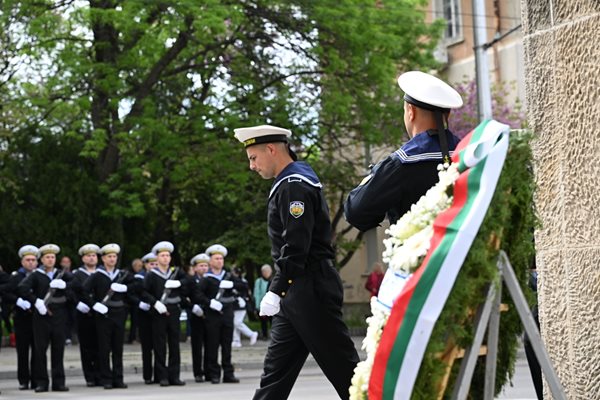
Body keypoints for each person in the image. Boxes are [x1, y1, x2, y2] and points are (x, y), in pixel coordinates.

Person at [234, 124, 359, 400]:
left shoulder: (294, 185)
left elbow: (296, 247)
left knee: (347, 373)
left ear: (271, 149)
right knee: (275, 376)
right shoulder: (291, 180)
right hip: (298, 292)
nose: (252, 166)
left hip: (309, 289)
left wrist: (277, 289)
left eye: (254, 158)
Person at [344, 71, 463, 231]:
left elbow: (355, 211)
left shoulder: (402, 162)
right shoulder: (469, 153)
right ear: (447, 115)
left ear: (410, 111)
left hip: (419, 254)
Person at [18, 244, 73, 393]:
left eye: (53, 257)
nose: (50, 260)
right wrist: (35, 301)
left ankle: (59, 382)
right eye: (47, 257)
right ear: (41, 259)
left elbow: (77, 287)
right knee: (40, 350)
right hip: (42, 316)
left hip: (59, 316)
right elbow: (22, 288)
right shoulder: (36, 275)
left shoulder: (62, 274)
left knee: (58, 350)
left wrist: (65, 285)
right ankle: (41, 382)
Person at [82, 243, 133, 389]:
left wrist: (126, 287)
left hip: (119, 313)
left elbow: (138, 287)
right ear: (103, 259)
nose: (112, 259)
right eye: (109, 256)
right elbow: (83, 291)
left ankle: (118, 378)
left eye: (114, 256)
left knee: (118, 348)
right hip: (104, 315)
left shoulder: (122, 274)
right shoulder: (98, 275)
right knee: (104, 348)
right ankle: (106, 379)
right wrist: (94, 304)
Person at [193, 244, 242, 384]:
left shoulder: (228, 276)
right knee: (212, 345)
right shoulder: (206, 279)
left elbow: (242, 286)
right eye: (216, 258)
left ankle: (228, 373)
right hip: (212, 316)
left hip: (227, 315)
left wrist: (233, 286)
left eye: (221, 258)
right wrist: (209, 303)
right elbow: (197, 294)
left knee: (227, 345)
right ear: (210, 261)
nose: (219, 261)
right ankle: (214, 373)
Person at [141, 241, 188, 387]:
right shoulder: (151, 275)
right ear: (157, 258)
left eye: (168, 255)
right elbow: (143, 292)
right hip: (158, 312)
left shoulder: (176, 273)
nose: (166, 258)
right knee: (160, 345)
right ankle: (162, 376)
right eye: (162, 255)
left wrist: (180, 283)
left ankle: (174, 376)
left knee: (175, 344)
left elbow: (189, 283)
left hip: (174, 310)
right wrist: (154, 303)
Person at [2, 245, 39, 390]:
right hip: (22, 318)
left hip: (37, 318)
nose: (30, 262)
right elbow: (5, 292)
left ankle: (37, 379)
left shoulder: (39, 275)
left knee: (38, 350)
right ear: (22, 262)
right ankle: (23, 380)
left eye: (33, 260)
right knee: (23, 351)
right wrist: (17, 301)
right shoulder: (16, 277)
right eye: (27, 260)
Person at [71, 244, 101, 387]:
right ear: (83, 258)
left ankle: (100, 374)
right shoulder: (76, 274)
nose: (91, 257)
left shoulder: (101, 273)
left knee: (101, 345)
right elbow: (72, 292)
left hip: (100, 314)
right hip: (84, 314)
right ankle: (90, 376)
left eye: (94, 255)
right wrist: (77, 304)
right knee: (87, 346)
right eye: (88, 255)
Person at [133, 252, 158, 384]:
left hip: (156, 313)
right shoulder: (139, 277)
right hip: (144, 314)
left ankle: (159, 374)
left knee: (158, 346)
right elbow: (133, 294)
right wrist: (139, 303)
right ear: (145, 265)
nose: (153, 266)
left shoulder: (157, 276)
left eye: (155, 264)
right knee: (147, 347)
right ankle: (147, 375)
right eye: (151, 264)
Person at [188, 253, 210, 382]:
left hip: (209, 316)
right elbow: (185, 297)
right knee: (197, 346)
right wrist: (193, 307)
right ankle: (198, 372)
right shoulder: (190, 280)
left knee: (210, 345)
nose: (204, 268)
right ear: (195, 268)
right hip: (196, 315)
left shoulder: (210, 279)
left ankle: (208, 371)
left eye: (206, 265)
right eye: (201, 266)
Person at [231, 266, 258, 348]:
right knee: (235, 322)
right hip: (234, 304)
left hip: (242, 304)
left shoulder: (242, 281)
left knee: (237, 322)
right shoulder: (233, 281)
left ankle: (251, 334)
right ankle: (236, 340)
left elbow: (246, 292)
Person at [253, 264, 273, 340]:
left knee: (273, 321)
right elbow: (256, 294)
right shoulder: (259, 281)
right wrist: (258, 306)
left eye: (268, 271)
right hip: (263, 305)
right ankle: (265, 335)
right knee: (263, 322)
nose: (266, 273)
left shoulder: (274, 280)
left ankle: (274, 335)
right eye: (264, 271)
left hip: (272, 305)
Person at [127, 258, 143, 344]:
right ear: (134, 266)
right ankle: (132, 338)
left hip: (137, 301)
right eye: (139, 266)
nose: (140, 267)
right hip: (131, 302)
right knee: (134, 320)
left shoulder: (140, 274)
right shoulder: (129, 274)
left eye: (141, 266)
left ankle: (137, 337)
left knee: (137, 321)